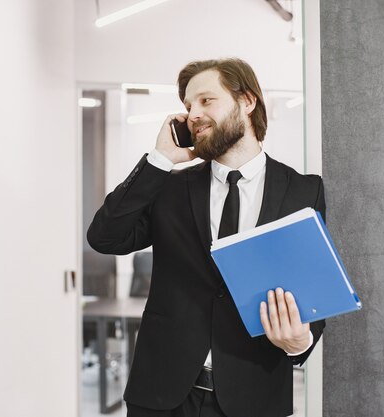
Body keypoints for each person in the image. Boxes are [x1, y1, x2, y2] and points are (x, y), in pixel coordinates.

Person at [87, 58, 326, 417]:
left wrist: (301, 343)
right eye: (187, 105)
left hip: (253, 397)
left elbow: (315, 284)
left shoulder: (303, 191)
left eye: (205, 100)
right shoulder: (168, 185)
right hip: (163, 396)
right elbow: (105, 237)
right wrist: (160, 160)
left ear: (247, 102)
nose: (192, 114)